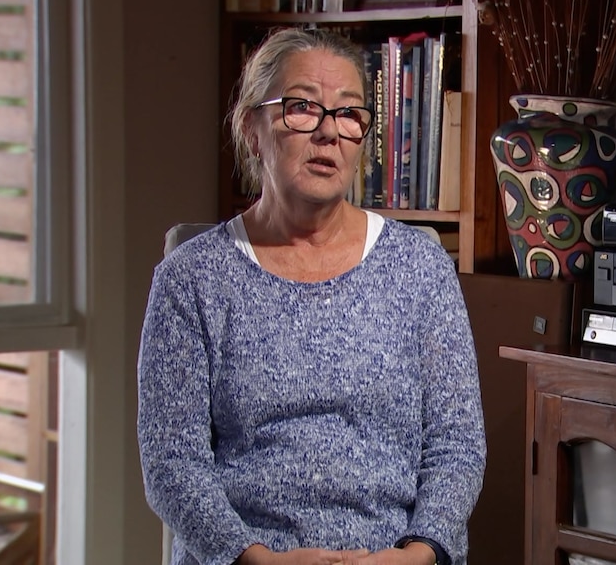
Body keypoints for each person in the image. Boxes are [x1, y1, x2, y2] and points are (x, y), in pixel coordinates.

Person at [137, 27, 486, 565]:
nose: (329, 133)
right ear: (253, 128)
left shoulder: (421, 269)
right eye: (303, 107)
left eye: (348, 114)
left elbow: (456, 447)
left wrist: (419, 553)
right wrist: (255, 558)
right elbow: (171, 463)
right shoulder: (192, 278)